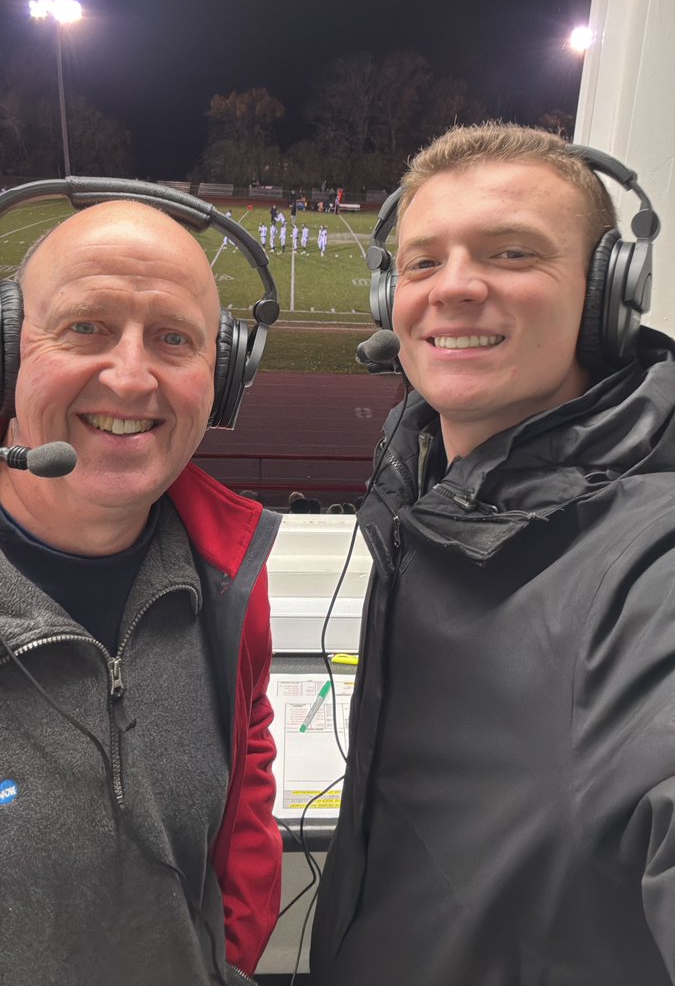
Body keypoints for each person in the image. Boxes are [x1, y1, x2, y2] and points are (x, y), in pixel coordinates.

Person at [311, 123, 675, 985]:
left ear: (607, 294)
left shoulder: (651, 564)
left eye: (511, 254)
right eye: (423, 261)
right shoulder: (427, 505)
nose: (454, 286)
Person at [0, 199, 282, 986]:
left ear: (222, 376)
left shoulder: (226, 575)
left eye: (173, 339)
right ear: (8, 349)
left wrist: (219, 965)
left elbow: (245, 810)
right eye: (86, 327)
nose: (129, 377)